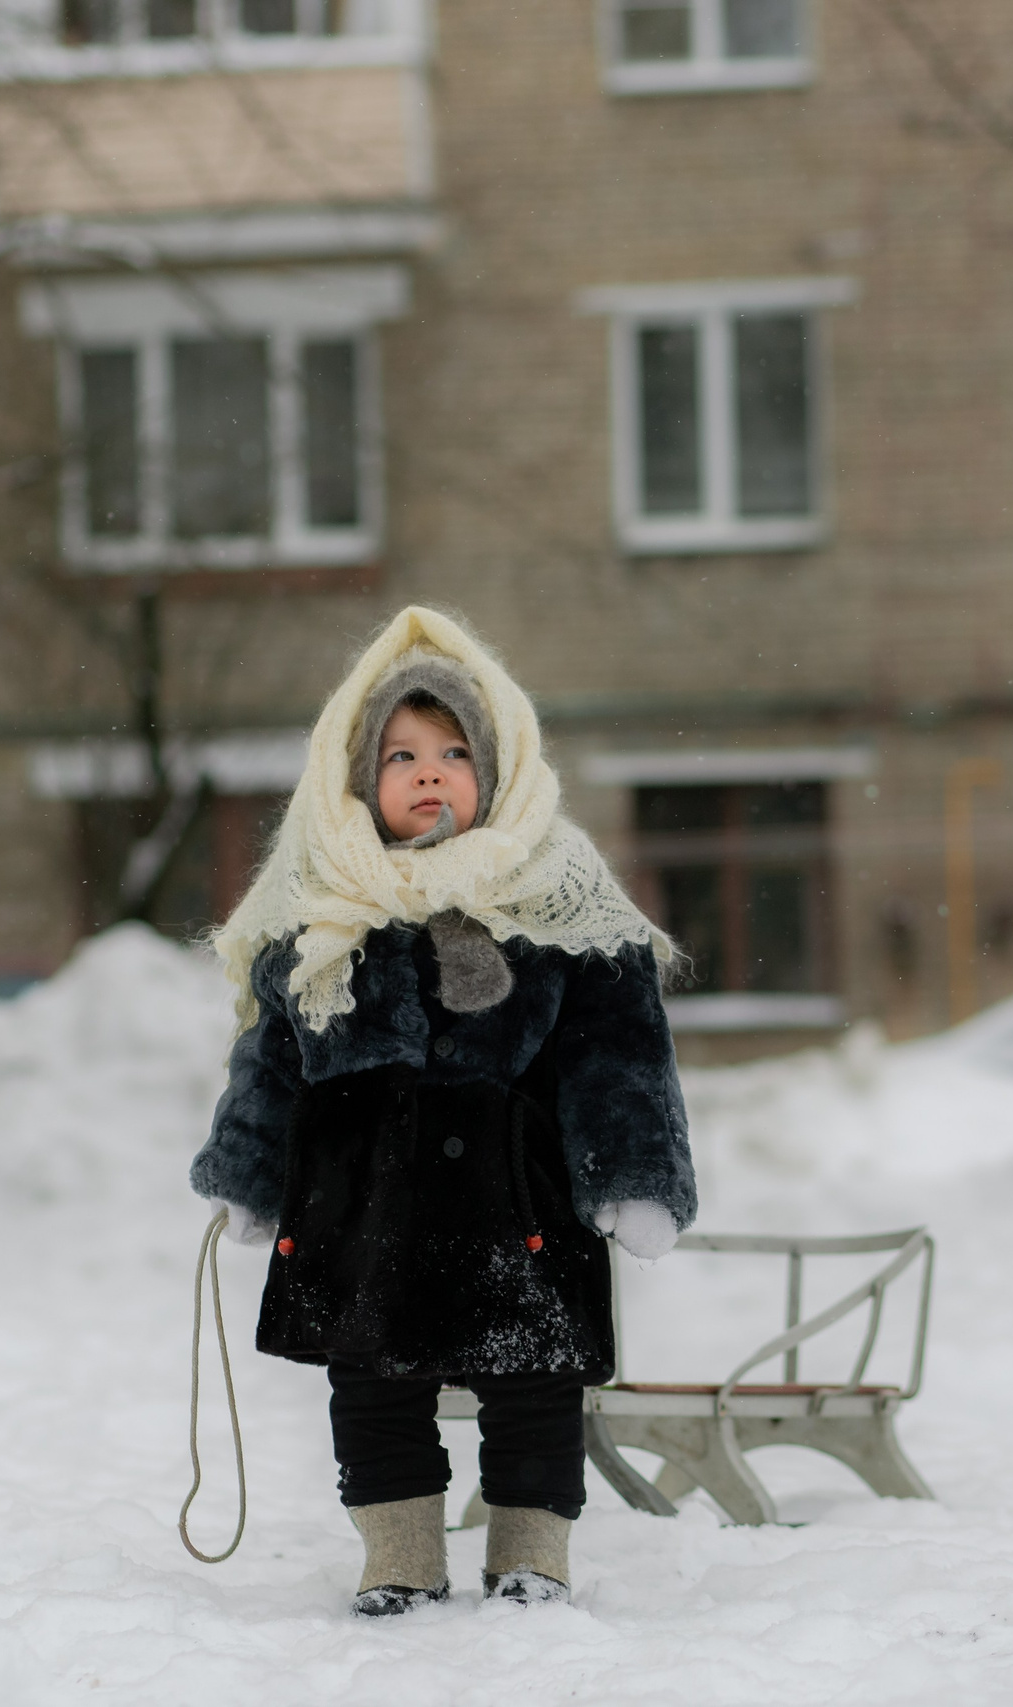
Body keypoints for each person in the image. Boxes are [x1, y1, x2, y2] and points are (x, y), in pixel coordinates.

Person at [189, 605, 696, 1615]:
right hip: (361, 1203)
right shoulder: (325, 913)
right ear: (356, 779)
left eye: (456, 751)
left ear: (498, 766)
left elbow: (618, 1053)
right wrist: (247, 1178)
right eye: (402, 754)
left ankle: (530, 1554)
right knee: (372, 1387)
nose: (430, 772)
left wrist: (632, 1179)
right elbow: (271, 1060)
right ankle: (400, 1556)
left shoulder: (557, 901)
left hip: (521, 1201)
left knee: (534, 1385)